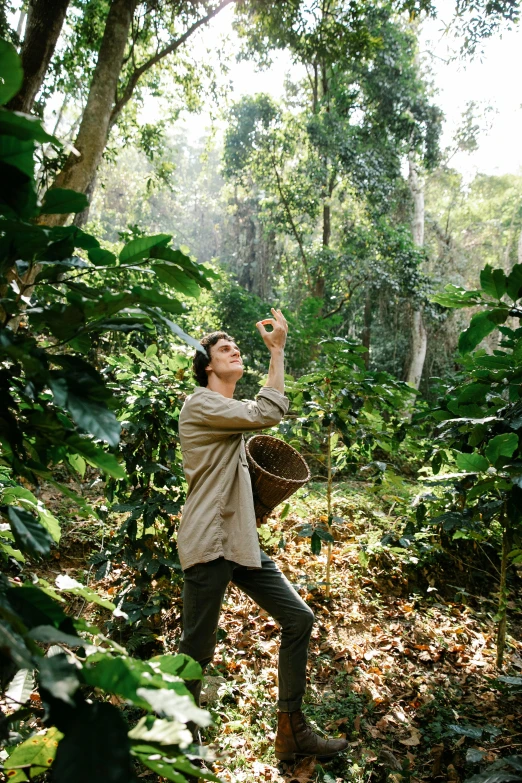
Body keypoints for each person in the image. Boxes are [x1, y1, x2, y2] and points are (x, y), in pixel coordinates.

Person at [177, 308, 347, 762]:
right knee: (197, 646)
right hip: (209, 540)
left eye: (236, 345)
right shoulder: (201, 404)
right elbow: (268, 410)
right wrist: (278, 353)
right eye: (224, 348)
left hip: (240, 540)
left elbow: (237, 474)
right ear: (207, 365)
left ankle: (292, 732)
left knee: (299, 619)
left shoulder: (230, 420)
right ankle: (178, 739)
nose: (234, 349)